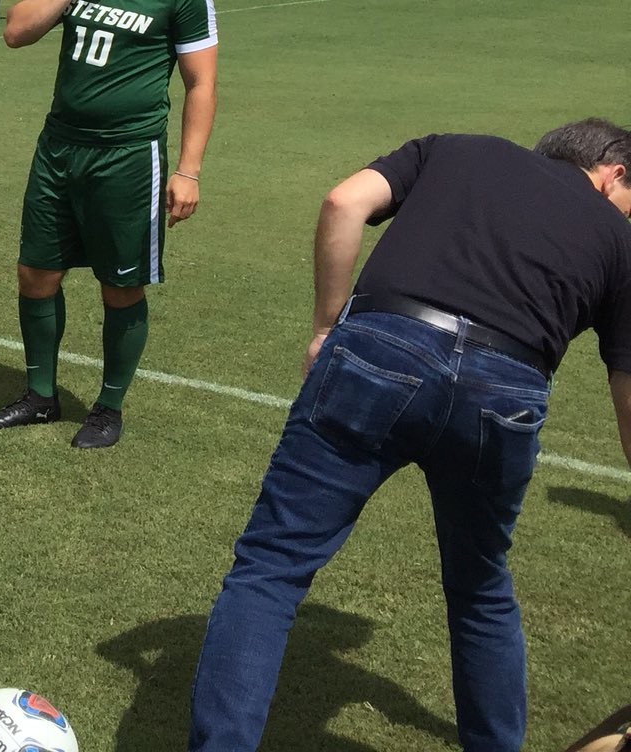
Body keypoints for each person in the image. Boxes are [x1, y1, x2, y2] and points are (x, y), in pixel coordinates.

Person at [189, 120, 631, 752]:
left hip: (381, 348)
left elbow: (345, 201)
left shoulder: (458, 147)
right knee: (480, 589)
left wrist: (324, 326)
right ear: (613, 171)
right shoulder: (619, 237)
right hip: (505, 392)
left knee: (272, 567)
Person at [0, 0, 217, 450]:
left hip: (129, 156)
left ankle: (108, 406)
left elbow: (201, 85)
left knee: (121, 284)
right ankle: (40, 395)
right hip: (59, 146)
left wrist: (187, 171)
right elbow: (16, 32)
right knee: (36, 272)